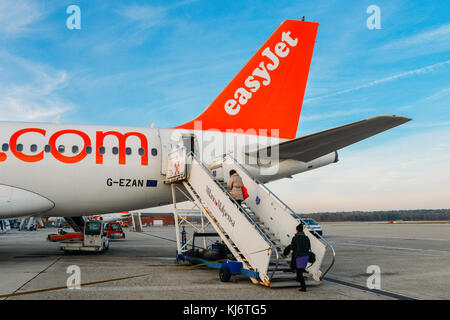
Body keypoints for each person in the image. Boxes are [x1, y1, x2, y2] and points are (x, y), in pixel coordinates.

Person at [290, 223, 311, 292]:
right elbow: (309, 247)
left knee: (299, 273)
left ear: (297, 230)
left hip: (299, 256)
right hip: (305, 256)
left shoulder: (295, 238)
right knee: (300, 271)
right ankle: (299, 281)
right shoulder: (306, 238)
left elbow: (292, 248)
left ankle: (303, 287)